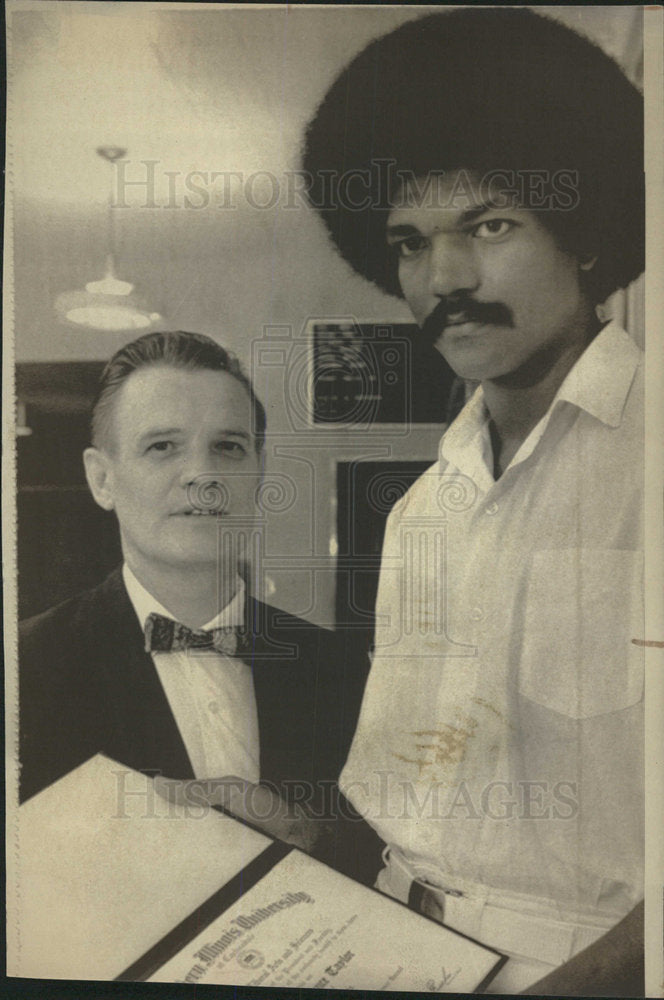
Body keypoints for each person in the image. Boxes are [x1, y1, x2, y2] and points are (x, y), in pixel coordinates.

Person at [303, 8, 645, 994]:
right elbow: (404, 789)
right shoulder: (419, 509)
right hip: (383, 940)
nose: (444, 280)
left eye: (488, 225)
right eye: (409, 243)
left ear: (585, 232)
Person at [19, 330, 379, 879]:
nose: (203, 476)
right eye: (162, 446)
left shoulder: (345, 668)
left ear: (259, 472)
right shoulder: (23, 667)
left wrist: (308, 834)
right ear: (101, 479)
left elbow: (386, 855)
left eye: (228, 447)